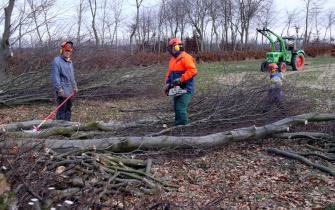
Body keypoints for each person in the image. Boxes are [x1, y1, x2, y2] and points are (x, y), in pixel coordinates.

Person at [164, 38, 197, 126]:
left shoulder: (185, 57)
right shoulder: (173, 59)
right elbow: (169, 72)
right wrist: (167, 82)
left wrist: (181, 79)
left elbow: (193, 71)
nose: (170, 50)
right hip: (176, 88)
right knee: (176, 107)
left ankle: (184, 126)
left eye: (171, 48)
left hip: (185, 87)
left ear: (176, 47)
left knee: (181, 108)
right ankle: (177, 123)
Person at [51, 41, 78, 121]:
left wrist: (74, 85)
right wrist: (59, 89)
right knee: (62, 109)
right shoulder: (57, 61)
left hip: (69, 90)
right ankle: (59, 127)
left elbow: (71, 75)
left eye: (69, 51)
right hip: (62, 90)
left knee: (68, 108)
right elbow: (55, 76)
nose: (67, 53)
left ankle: (68, 125)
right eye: (66, 51)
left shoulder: (70, 62)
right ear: (62, 50)